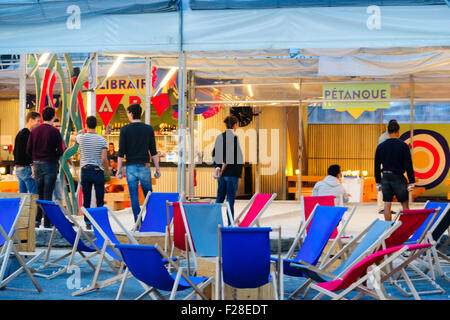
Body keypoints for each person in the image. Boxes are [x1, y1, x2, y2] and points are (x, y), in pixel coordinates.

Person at [115, 103, 161, 222]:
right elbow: (153, 151)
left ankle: (138, 222)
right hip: (145, 166)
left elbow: (121, 152)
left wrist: (119, 170)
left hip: (131, 168)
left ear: (130, 114)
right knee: (148, 195)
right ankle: (151, 221)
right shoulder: (148, 129)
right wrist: (157, 169)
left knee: (134, 196)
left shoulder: (124, 129)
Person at [27, 107, 64, 228]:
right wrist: (54, 156)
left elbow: (28, 150)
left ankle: (37, 221)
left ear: (42, 117)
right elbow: (60, 151)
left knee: (39, 193)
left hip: (37, 164)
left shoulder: (35, 131)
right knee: (48, 193)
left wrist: (35, 157)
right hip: (50, 164)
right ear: (53, 117)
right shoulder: (55, 132)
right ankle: (47, 222)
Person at [71, 116, 110, 229]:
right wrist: (107, 171)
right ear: (96, 126)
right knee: (100, 198)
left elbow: (71, 137)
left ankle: (88, 223)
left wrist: (80, 132)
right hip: (98, 171)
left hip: (86, 171)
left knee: (87, 198)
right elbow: (104, 159)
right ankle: (100, 222)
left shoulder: (82, 138)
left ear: (87, 125)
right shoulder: (102, 140)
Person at [375, 120, 415, 221]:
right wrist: (412, 181)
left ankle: (388, 230)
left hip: (386, 177)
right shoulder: (403, 146)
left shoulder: (381, 146)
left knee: (387, 204)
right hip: (398, 178)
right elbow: (408, 164)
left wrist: (378, 181)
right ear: (398, 132)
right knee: (405, 204)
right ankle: (406, 228)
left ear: (388, 132)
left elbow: (376, 165)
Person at [212, 115, 244, 225]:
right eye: (237, 124)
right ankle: (230, 223)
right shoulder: (234, 138)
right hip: (231, 173)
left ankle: (215, 222)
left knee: (219, 199)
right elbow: (229, 156)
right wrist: (221, 170)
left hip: (222, 175)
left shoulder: (219, 137)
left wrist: (217, 168)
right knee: (230, 199)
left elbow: (215, 154)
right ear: (235, 125)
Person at [13, 111, 41, 194]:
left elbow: (15, 151)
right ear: (31, 120)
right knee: (34, 195)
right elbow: (27, 152)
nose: (39, 123)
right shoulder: (28, 134)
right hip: (26, 168)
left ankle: (23, 207)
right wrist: (32, 166)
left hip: (18, 169)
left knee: (23, 195)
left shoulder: (20, 133)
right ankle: (35, 208)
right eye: (38, 121)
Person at [377, 119, 398, 215]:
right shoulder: (384, 137)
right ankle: (382, 207)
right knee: (384, 185)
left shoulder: (386, 136)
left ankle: (386, 208)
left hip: (388, 163)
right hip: (385, 163)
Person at [52, 118, 63, 204]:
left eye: (59, 126)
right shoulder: (50, 136)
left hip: (56, 170)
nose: (58, 128)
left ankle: (59, 215)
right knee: (52, 196)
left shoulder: (60, 136)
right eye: (56, 126)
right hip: (50, 169)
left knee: (58, 196)